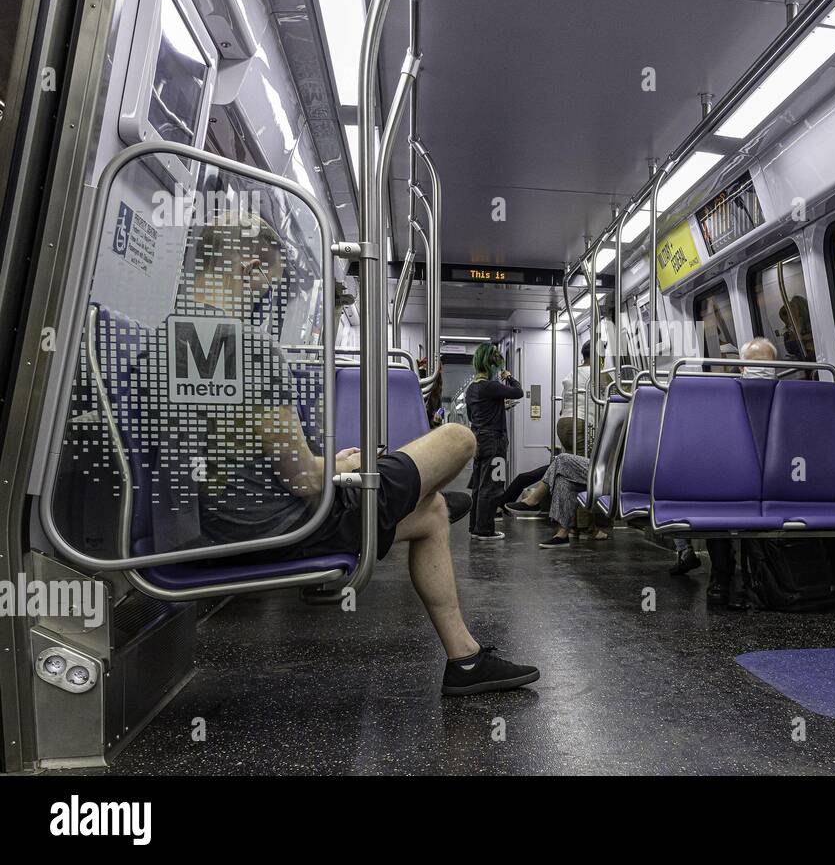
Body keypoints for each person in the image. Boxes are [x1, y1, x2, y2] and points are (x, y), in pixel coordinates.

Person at [167, 215, 538, 695]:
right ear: (252, 267)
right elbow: (303, 480)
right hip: (280, 525)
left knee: (431, 515)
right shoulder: (245, 348)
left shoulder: (164, 341)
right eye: (268, 288)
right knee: (457, 442)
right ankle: (408, 489)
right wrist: (339, 467)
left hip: (216, 524)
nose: (263, 301)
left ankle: (465, 661)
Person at [669, 336, 779, 608]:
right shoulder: (725, 397)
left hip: (774, 474)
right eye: (754, 363)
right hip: (733, 471)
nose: (762, 368)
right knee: (716, 504)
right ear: (742, 367)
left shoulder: (786, 397)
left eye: (767, 363)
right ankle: (721, 579)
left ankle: (767, 581)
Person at [463, 342, 522, 541]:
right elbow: (518, 391)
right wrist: (508, 376)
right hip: (494, 441)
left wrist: (499, 409)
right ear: (491, 365)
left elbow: (474, 415)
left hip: (478, 440)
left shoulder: (471, 389)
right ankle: (485, 530)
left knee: (480, 486)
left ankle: (475, 527)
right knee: (493, 486)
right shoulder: (492, 386)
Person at [505, 452, 607, 548]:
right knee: (562, 480)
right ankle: (562, 534)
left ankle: (533, 501)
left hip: (610, 472)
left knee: (562, 459)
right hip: (605, 466)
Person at [556, 341, 594, 455]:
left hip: (563, 424)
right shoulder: (597, 373)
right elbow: (617, 392)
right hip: (581, 424)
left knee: (571, 463)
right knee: (585, 464)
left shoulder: (573, 373)